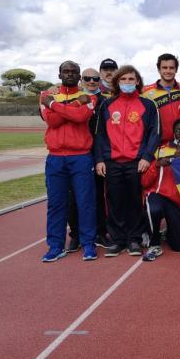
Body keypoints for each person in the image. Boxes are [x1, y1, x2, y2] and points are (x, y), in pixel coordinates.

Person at [95, 65, 160, 257]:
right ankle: (117, 240)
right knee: (114, 201)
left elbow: (154, 133)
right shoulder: (107, 105)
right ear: (117, 82)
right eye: (123, 79)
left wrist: (147, 157)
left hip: (136, 162)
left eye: (131, 79)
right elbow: (99, 135)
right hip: (112, 162)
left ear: (137, 81)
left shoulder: (147, 105)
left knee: (134, 201)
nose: (127, 83)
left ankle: (134, 239)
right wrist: (100, 159)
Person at [39, 60, 98, 262]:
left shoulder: (89, 96)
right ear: (59, 74)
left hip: (80, 156)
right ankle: (55, 246)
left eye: (74, 72)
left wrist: (55, 106)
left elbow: (81, 118)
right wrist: (73, 105)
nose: (70, 74)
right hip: (55, 158)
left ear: (79, 75)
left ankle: (89, 244)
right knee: (56, 204)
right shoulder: (47, 95)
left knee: (85, 202)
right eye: (66, 71)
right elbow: (53, 121)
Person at [65, 67, 110, 251]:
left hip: (99, 154)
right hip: (77, 154)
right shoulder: (73, 99)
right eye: (87, 78)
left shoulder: (106, 102)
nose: (91, 81)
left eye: (95, 78)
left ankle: (100, 232)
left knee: (99, 195)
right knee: (74, 197)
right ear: (81, 80)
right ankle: (76, 235)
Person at [141, 118, 180, 261]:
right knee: (154, 208)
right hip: (159, 194)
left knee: (178, 246)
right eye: (177, 129)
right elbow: (145, 182)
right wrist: (157, 165)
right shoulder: (160, 150)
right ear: (173, 132)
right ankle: (154, 242)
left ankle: (171, 232)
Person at [142, 53, 180, 145]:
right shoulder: (146, 92)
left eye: (171, 68)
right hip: (157, 145)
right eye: (164, 68)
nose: (168, 71)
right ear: (159, 70)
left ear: (176, 69)